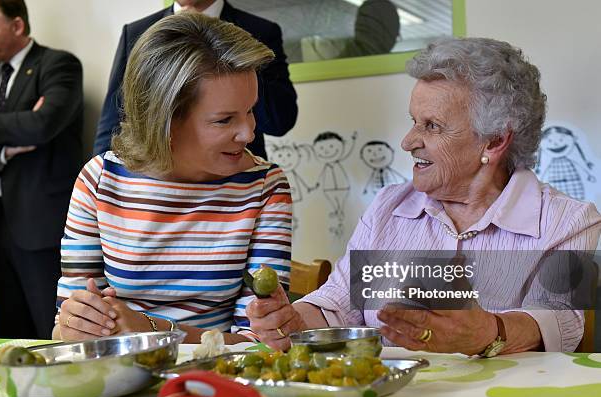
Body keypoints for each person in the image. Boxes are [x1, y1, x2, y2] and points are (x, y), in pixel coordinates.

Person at [247, 37, 601, 354]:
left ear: (494, 141)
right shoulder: (390, 207)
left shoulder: (568, 220)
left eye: (431, 126)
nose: (408, 141)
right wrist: (295, 321)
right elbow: (338, 303)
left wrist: (488, 332)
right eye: (414, 120)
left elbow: (560, 322)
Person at [53, 12, 292, 344]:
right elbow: (65, 325)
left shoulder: (265, 188)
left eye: (250, 110)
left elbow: (259, 344)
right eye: (224, 120)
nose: (248, 133)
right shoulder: (99, 181)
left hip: (218, 383)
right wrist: (74, 323)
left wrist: (149, 329)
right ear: (164, 120)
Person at [93, 0, 298, 160]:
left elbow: (281, 122)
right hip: (159, 181)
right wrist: (104, 184)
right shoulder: (138, 33)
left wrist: (238, 58)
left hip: (239, 182)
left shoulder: (260, 30)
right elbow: (114, 119)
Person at [0, 0, 83, 339]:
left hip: (38, 221)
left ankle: (53, 394)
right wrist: (12, 137)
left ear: (17, 26)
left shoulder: (59, 65)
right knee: (8, 327)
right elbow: (28, 124)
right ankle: (19, 395)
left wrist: (27, 123)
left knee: (48, 328)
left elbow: (42, 125)